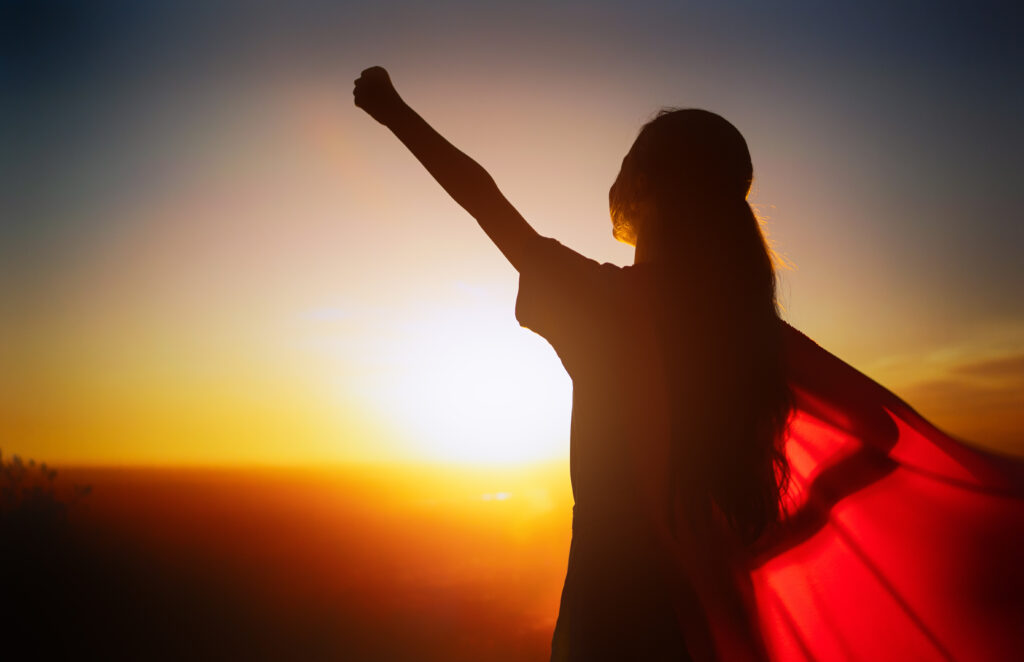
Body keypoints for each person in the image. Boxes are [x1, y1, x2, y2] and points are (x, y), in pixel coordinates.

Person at [353, 67, 1024, 662]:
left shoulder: (602, 304)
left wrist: (395, 111)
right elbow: (881, 433)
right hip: (716, 619)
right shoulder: (749, 328)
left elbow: (485, 203)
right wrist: (779, 536)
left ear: (645, 187)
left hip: (611, 619)